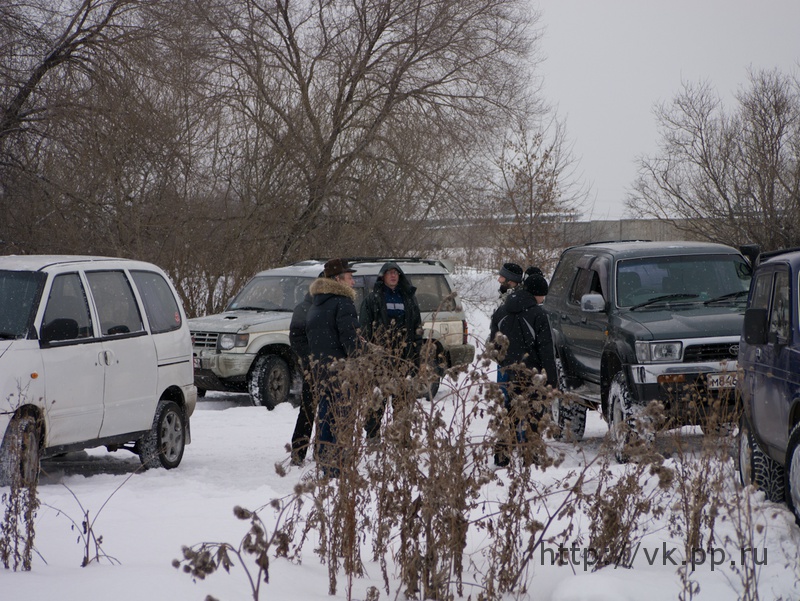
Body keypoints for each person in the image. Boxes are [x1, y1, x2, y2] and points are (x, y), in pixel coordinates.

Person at [488, 271, 557, 467]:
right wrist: (551, 379)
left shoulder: (501, 312)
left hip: (508, 372)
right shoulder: (539, 314)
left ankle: (501, 457)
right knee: (532, 416)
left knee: (508, 413)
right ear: (537, 293)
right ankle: (531, 458)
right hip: (532, 375)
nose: (543, 299)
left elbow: (493, 345)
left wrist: (503, 362)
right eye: (543, 294)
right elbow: (546, 350)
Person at [306, 258, 361, 477]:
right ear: (338, 280)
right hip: (341, 370)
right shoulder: (342, 302)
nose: (353, 282)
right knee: (340, 416)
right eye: (350, 277)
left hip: (321, 369)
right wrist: (361, 361)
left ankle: (325, 460)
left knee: (326, 414)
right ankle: (335, 467)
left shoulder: (317, 302)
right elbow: (351, 338)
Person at [359, 261, 423, 441]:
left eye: (396, 273)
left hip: (404, 356)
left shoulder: (409, 299)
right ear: (383, 277)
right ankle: (373, 436)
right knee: (377, 399)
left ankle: (402, 436)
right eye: (389, 273)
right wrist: (370, 354)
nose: (393, 276)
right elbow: (364, 331)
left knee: (402, 398)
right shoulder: (373, 299)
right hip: (381, 356)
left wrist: (416, 353)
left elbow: (417, 327)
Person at [289, 272, 324, 466]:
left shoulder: (332, 306)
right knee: (308, 410)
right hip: (312, 367)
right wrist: (309, 358)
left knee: (328, 411)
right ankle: (299, 451)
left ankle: (322, 449)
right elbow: (296, 338)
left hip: (331, 365)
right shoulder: (304, 308)